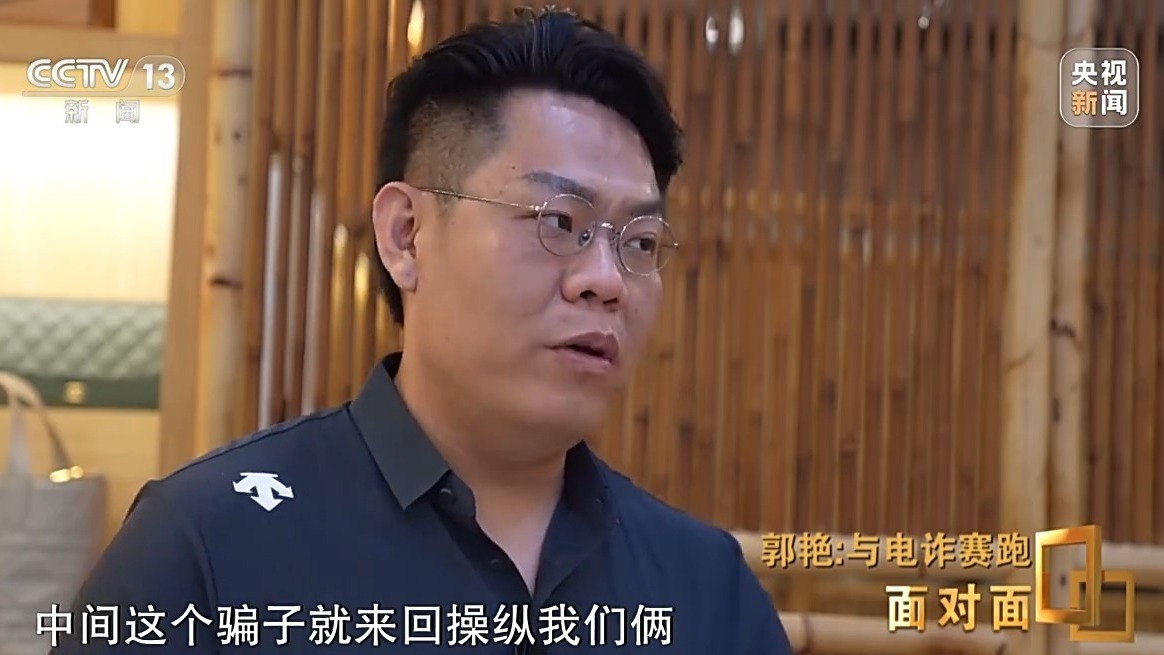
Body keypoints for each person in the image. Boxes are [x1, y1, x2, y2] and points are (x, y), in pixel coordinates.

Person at [51, 7, 791, 654]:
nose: (606, 279)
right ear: (407, 235)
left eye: (639, 241)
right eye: (559, 222)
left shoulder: (707, 590)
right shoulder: (207, 546)